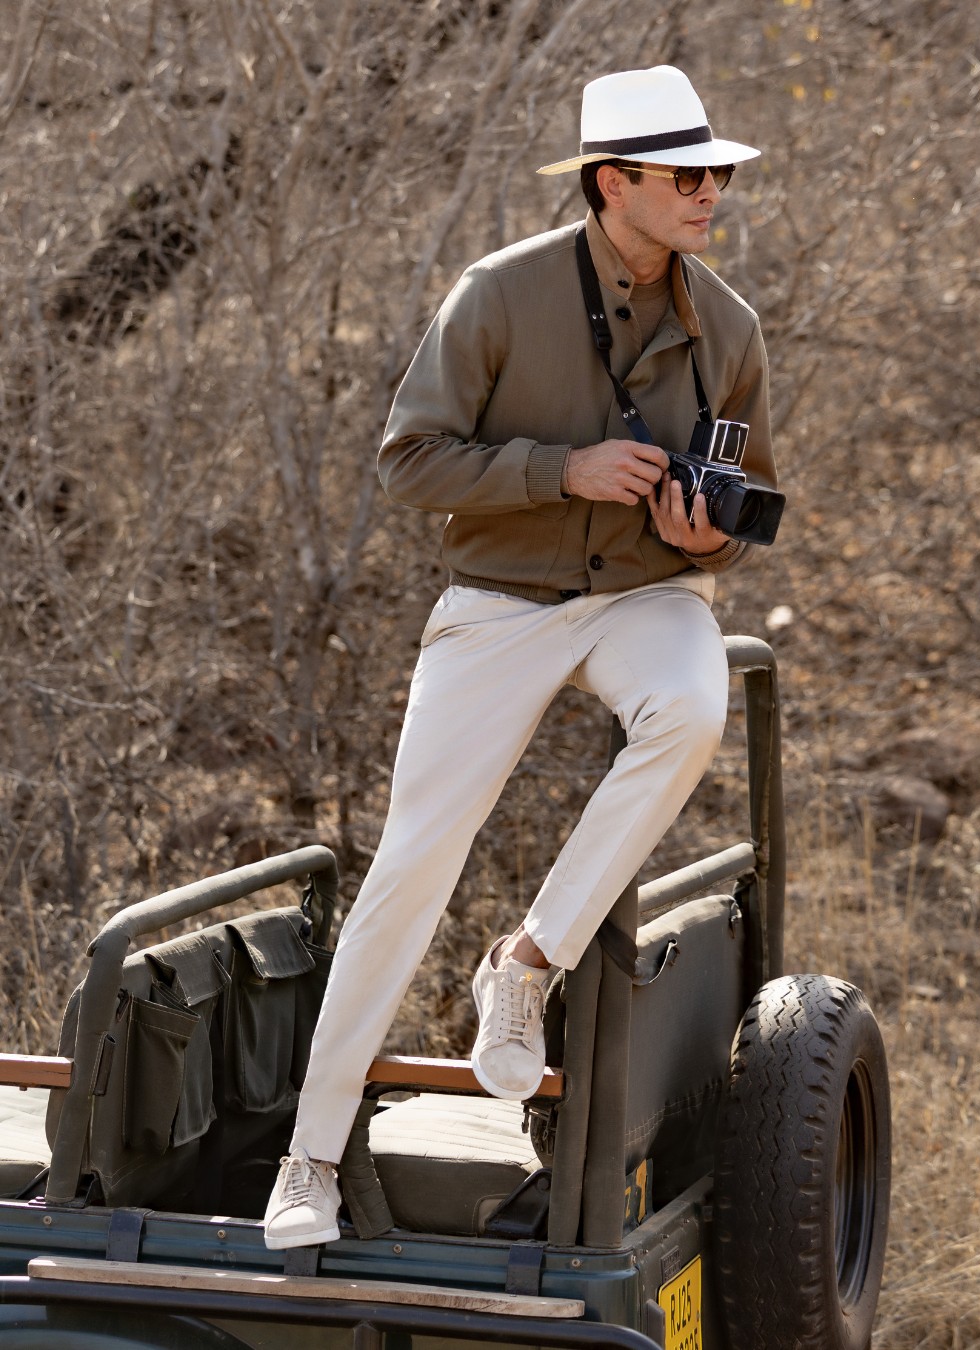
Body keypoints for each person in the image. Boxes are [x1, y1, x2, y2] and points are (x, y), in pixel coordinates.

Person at [263, 63, 778, 1249]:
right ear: (614, 184)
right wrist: (562, 469)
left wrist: (712, 533)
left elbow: (738, 499)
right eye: (688, 174)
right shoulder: (497, 293)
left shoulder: (731, 327)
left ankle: (527, 960)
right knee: (411, 865)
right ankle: (309, 1159)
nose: (713, 191)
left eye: (718, 172)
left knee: (693, 709)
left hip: (649, 594)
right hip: (499, 598)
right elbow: (409, 462)